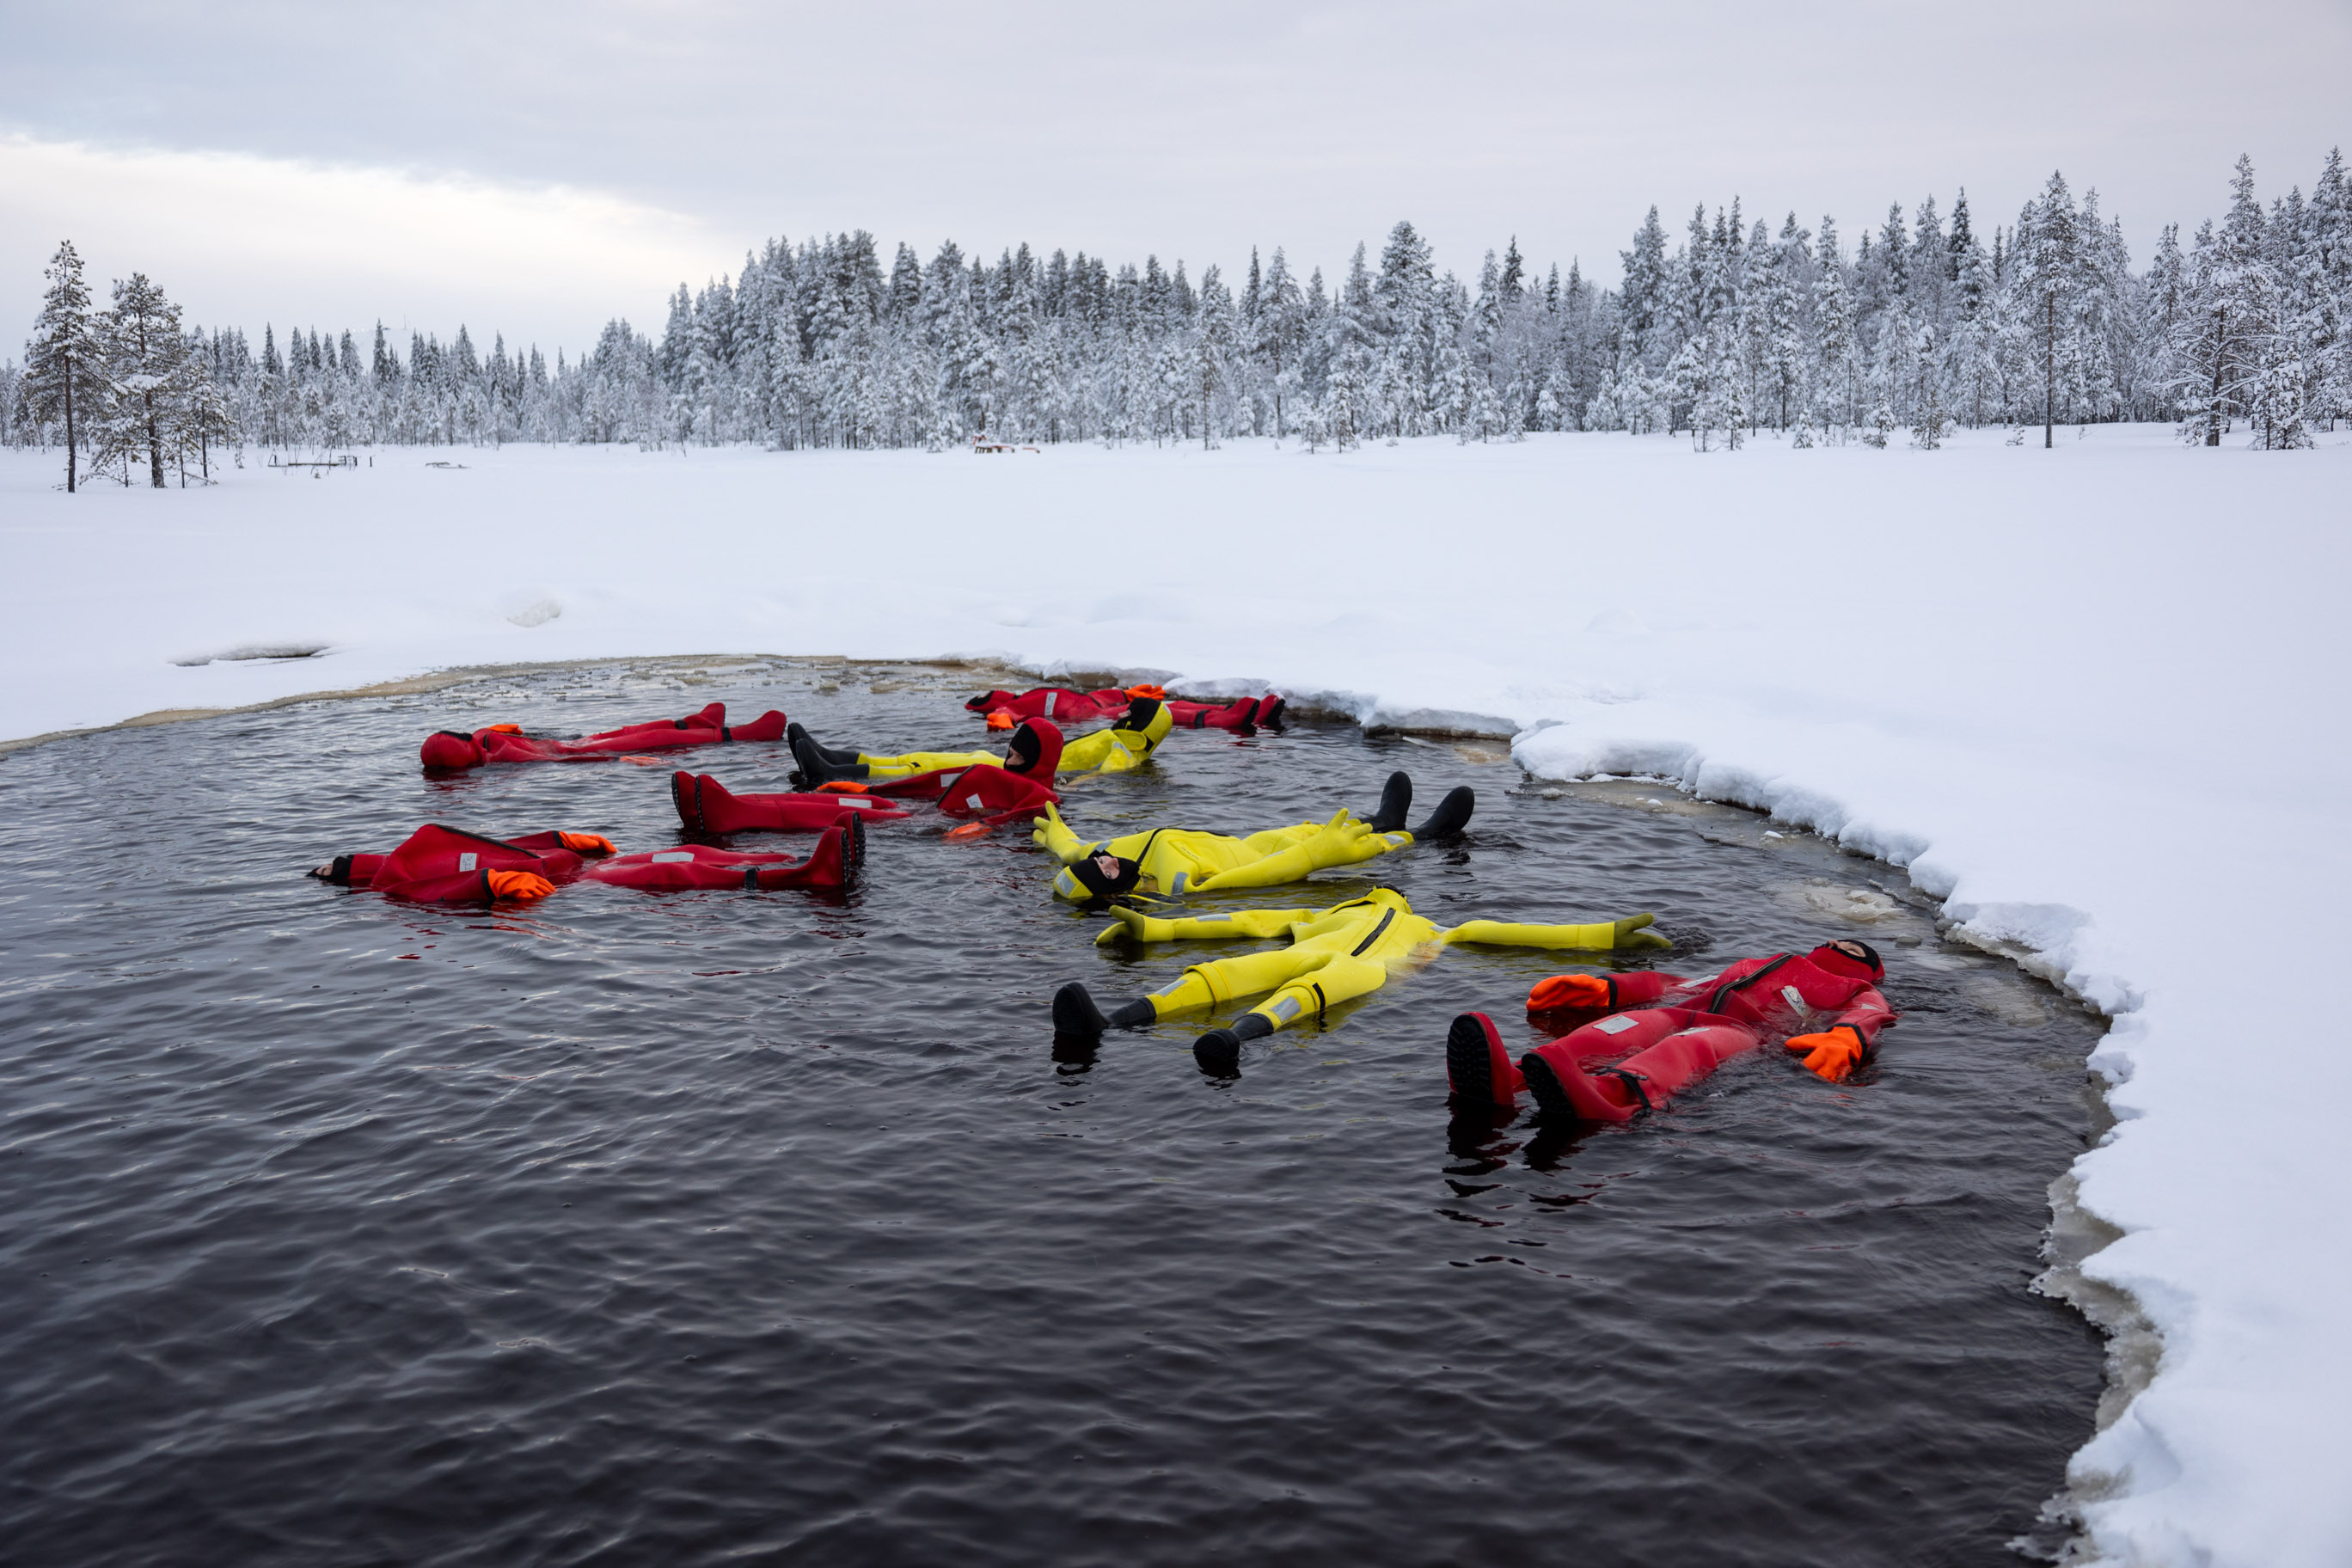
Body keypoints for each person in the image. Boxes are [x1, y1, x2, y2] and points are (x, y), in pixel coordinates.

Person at [1050, 886, 1672, 1075]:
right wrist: (1157, 932)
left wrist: (1605, 934)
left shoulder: (1432, 927)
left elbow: (1505, 931)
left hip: (1367, 969)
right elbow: (1249, 922)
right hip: (1311, 951)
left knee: (1303, 993)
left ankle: (1236, 1039)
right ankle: (1112, 1021)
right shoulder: (1335, 912)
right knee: (1225, 971)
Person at [1444, 938, 1896, 1121]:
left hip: (1745, 1033)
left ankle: (1611, 1096)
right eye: (1835, 940)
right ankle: (1515, 1075)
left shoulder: (1849, 987)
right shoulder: (1758, 963)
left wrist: (1848, 1035)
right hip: (1684, 1010)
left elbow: (1871, 1010)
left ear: (1867, 968)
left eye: (1852, 947)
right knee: (1615, 1029)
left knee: (1686, 1048)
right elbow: (1683, 984)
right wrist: (1608, 989)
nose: (1839, 944)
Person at [1033, 770, 1473, 901]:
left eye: (1101, 860)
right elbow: (1253, 881)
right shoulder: (1176, 887)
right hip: (1261, 862)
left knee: (1318, 826)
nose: (1108, 861)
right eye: (1106, 872)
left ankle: (1383, 820)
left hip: (1252, 842)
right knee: (1345, 844)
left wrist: (1058, 839)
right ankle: (1424, 834)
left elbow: (1075, 850)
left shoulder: (1107, 855)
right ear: (1111, 894)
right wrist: (1314, 858)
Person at [311, 815, 863, 902]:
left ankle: (801, 851)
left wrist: (561, 839)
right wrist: (491, 888)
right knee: (666, 870)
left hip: (574, 870)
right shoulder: (398, 884)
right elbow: (443, 892)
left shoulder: (422, 855)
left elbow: (500, 845)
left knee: (684, 849)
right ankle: (803, 875)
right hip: (576, 892)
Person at [789, 698, 1172, 783]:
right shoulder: (1122, 740)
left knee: (923, 768)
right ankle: (829, 757)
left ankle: (830, 774)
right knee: (918, 756)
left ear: (1140, 724)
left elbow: (1096, 779)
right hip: (1009, 759)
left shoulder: (1126, 752)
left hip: (1021, 771)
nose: (1122, 713)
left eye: (1131, 713)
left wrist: (1062, 784)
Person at [420, 701, 789, 769]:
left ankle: (695, 721)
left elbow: (502, 730)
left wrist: (515, 730)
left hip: (569, 742)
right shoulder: (498, 755)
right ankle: (742, 735)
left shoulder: (483, 739)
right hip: (569, 751)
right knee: (644, 740)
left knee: (634, 730)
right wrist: (617, 759)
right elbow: (557, 762)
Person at [967, 684, 1283, 732]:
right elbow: (1005, 716)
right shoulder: (1013, 704)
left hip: (1105, 703)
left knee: (1173, 703)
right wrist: (999, 721)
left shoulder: (1032, 694)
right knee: (1164, 712)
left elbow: (1086, 694)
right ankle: (1229, 719)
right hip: (1092, 716)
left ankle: (1243, 710)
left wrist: (1125, 692)